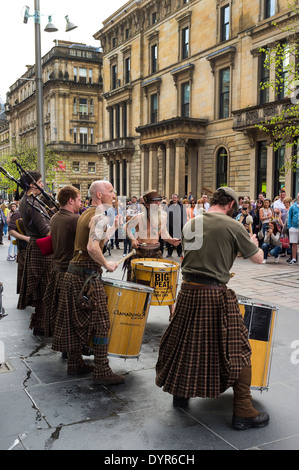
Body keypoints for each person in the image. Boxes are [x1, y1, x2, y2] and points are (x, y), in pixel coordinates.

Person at [155, 186, 269, 431]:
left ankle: (180, 394)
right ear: (230, 204)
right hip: (214, 294)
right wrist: (252, 243)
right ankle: (243, 410)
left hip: (187, 292)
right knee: (239, 349)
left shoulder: (192, 223)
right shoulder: (233, 225)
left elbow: (195, 255)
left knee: (185, 343)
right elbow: (258, 258)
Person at [51, 180, 125, 384]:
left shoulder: (86, 212)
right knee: (102, 323)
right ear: (99, 195)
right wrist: (107, 264)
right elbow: (93, 248)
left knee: (75, 321)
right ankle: (102, 370)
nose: (114, 194)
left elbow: (93, 242)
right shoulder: (99, 216)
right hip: (87, 276)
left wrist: (113, 229)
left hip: (73, 274)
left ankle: (75, 364)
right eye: (110, 191)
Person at [124, 189, 181, 317]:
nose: (158, 205)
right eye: (155, 203)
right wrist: (133, 239)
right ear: (148, 204)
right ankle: (133, 312)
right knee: (134, 283)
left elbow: (164, 233)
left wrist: (171, 240)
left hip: (155, 252)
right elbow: (126, 227)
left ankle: (172, 311)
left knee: (166, 281)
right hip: (140, 253)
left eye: (159, 202)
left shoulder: (163, 217)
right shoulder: (138, 217)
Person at [17, 170, 53, 336]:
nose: (42, 184)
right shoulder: (31, 203)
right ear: (32, 185)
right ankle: (42, 325)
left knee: (42, 288)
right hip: (41, 249)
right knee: (46, 288)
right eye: (40, 181)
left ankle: (40, 323)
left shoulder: (29, 200)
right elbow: (46, 232)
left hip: (37, 247)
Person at [43, 185, 81, 338]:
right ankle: (72, 351)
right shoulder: (75, 219)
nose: (81, 203)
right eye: (78, 200)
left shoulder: (55, 217)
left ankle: (65, 348)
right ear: (71, 201)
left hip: (57, 269)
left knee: (61, 311)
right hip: (69, 270)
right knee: (73, 314)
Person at [165, 193, 185, 258]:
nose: (174, 199)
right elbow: (165, 215)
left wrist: (183, 224)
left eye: (175, 198)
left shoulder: (181, 206)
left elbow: (184, 216)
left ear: (178, 199)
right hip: (170, 226)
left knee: (179, 240)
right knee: (170, 240)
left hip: (179, 226)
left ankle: (179, 253)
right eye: (173, 197)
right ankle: (169, 253)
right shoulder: (168, 206)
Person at [287, 192, 299, 265]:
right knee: (294, 243)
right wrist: (289, 226)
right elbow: (289, 216)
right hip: (294, 227)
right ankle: (294, 258)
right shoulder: (293, 206)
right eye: (298, 196)